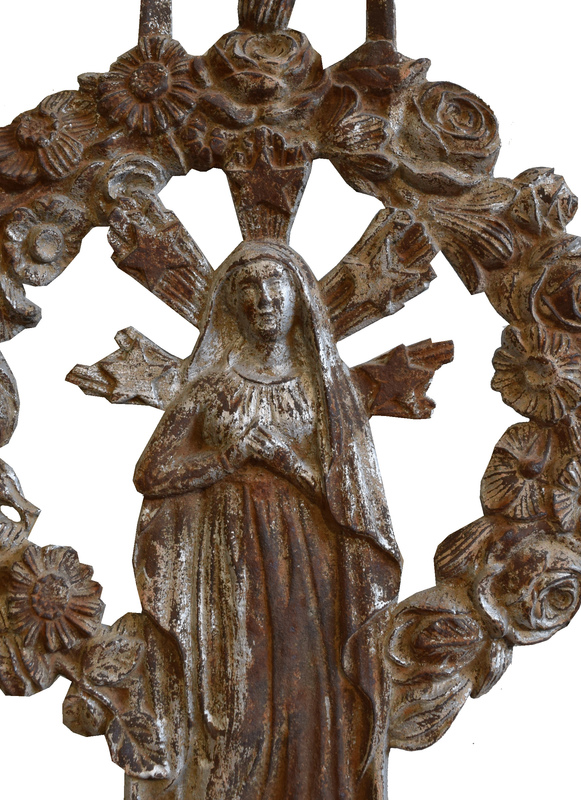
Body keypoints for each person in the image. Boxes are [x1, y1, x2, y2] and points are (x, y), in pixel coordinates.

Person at [133, 240, 403, 800]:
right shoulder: (212, 386)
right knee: (238, 699)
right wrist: (225, 459)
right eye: (248, 286)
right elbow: (152, 472)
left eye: (275, 284)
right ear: (230, 302)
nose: (264, 298)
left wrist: (285, 460)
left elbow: (355, 494)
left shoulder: (324, 388)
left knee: (308, 694)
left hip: (308, 562)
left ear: (299, 298)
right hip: (229, 558)